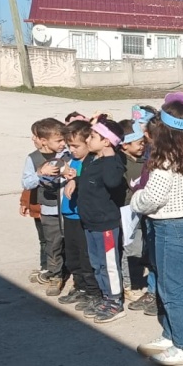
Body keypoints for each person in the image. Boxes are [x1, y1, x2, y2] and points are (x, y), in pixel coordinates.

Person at [132, 95, 183, 366]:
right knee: (167, 285)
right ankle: (169, 334)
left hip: (169, 226)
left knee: (172, 289)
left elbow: (152, 197)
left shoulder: (165, 159)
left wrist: (135, 198)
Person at [64, 118, 128, 323]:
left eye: (92, 137)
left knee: (109, 265)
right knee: (97, 263)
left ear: (106, 142)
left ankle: (115, 301)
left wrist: (109, 155)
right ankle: (105, 295)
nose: (88, 140)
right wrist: (75, 179)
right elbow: (90, 180)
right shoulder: (92, 159)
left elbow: (111, 181)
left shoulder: (112, 163)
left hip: (105, 225)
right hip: (90, 222)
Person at [55, 120, 102, 312]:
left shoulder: (92, 163)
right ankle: (79, 286)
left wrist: (77, 181)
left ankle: (93, 292)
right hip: (69, 215)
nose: (72, 149)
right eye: (69, 146)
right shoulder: (71, 161)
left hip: (83, 216)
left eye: (76, 146)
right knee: (73, 256)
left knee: (86, 257)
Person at [22, 118, 67, 295]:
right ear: (43, 141)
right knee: (53, 243)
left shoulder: (68, 155)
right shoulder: (33, 158)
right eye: (59, 141)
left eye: (64, 139)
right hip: (49, 209)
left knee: (71, 242)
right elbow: (26, 182)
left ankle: (71, 270)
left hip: (69, 207)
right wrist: (40, 173)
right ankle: (55, 275)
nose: (63, 144)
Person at [117, 118, 152, 308]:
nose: (143, 146)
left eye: (143, 143)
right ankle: (128, 284)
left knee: (140, 247)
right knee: (129, 248)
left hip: (144, 209)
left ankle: (136, 277)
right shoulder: (121, 163)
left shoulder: (145, 160)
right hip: (127, 211)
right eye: (139, 143)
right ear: (124, 145)